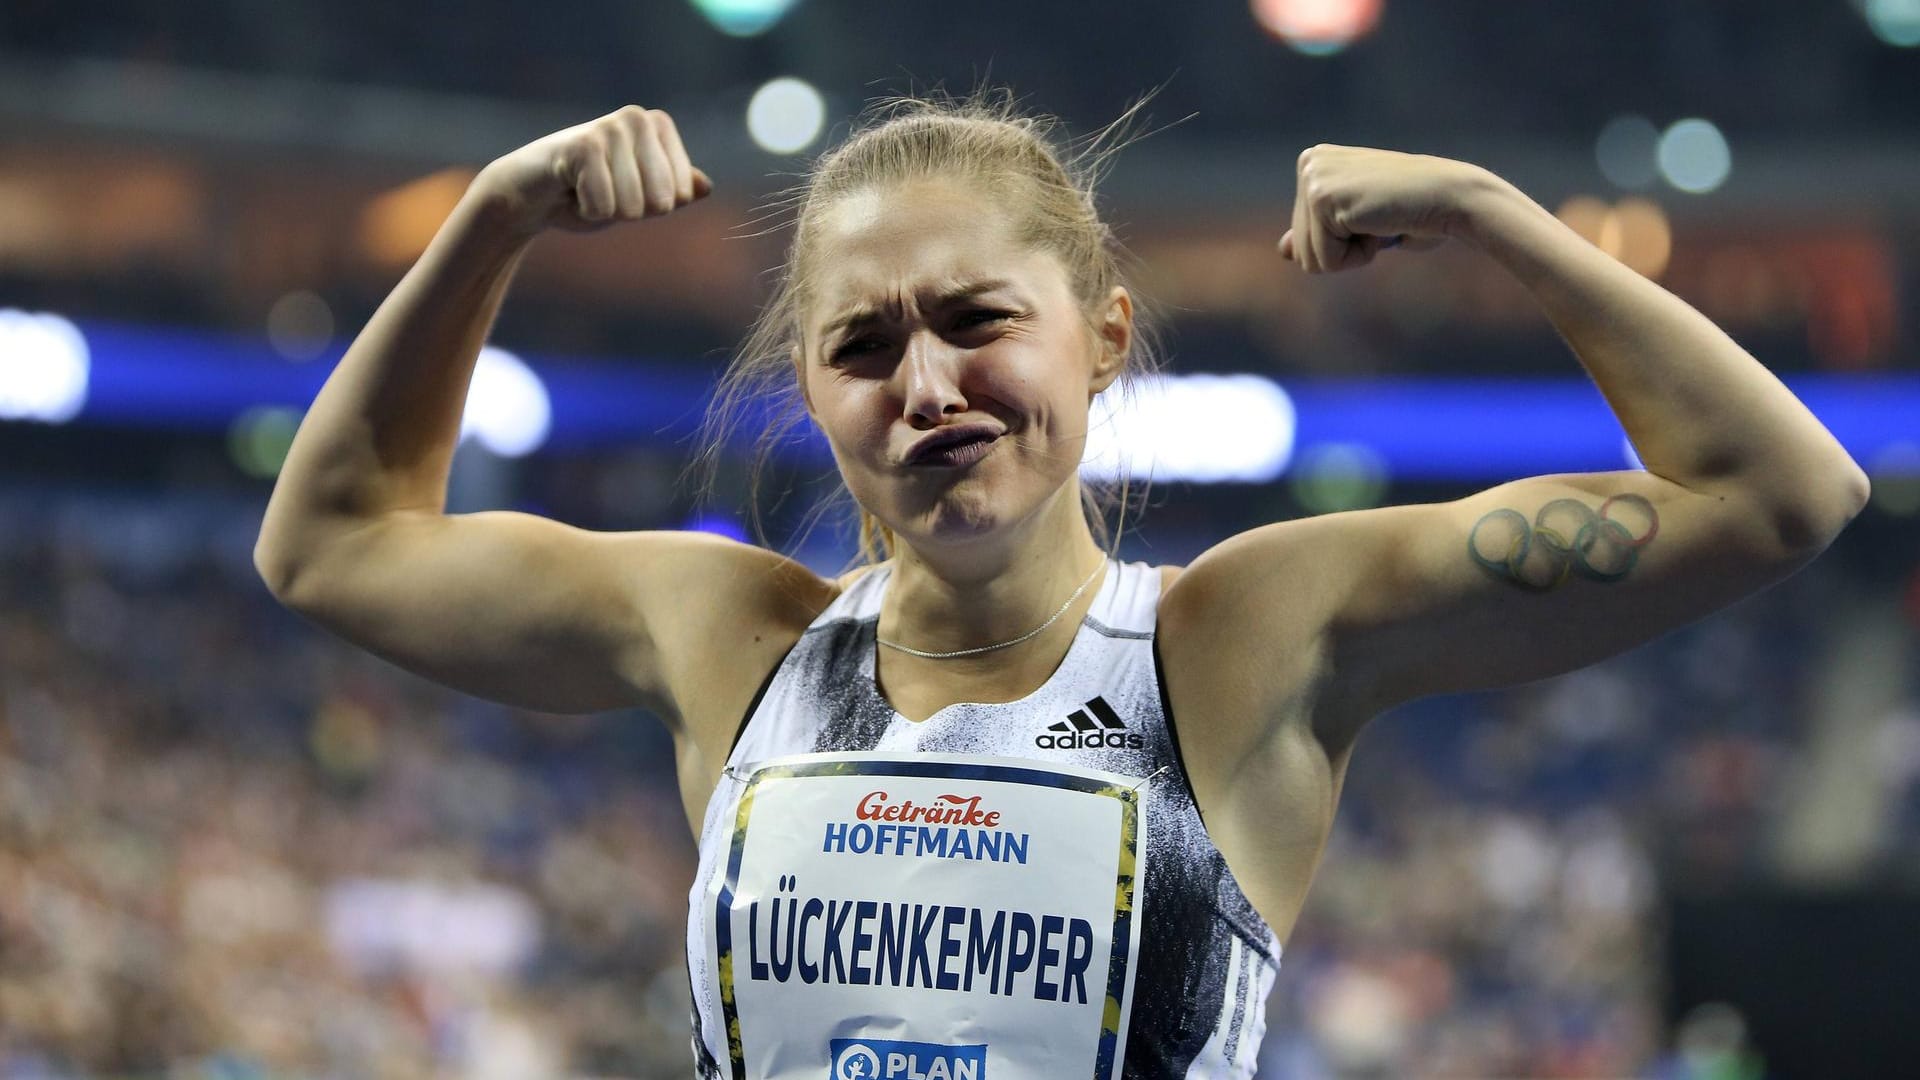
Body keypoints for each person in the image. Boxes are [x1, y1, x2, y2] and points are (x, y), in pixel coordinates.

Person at [254, 93, 1869, 1078]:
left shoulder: (1239, 638)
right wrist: (488, 221)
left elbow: (1781, 489)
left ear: (1101, 335)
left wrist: (1495, 216)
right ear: (809, 395)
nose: (929, 384)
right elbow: (326, 544)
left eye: (978, 319)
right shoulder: (729, 637)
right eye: (863, 346)